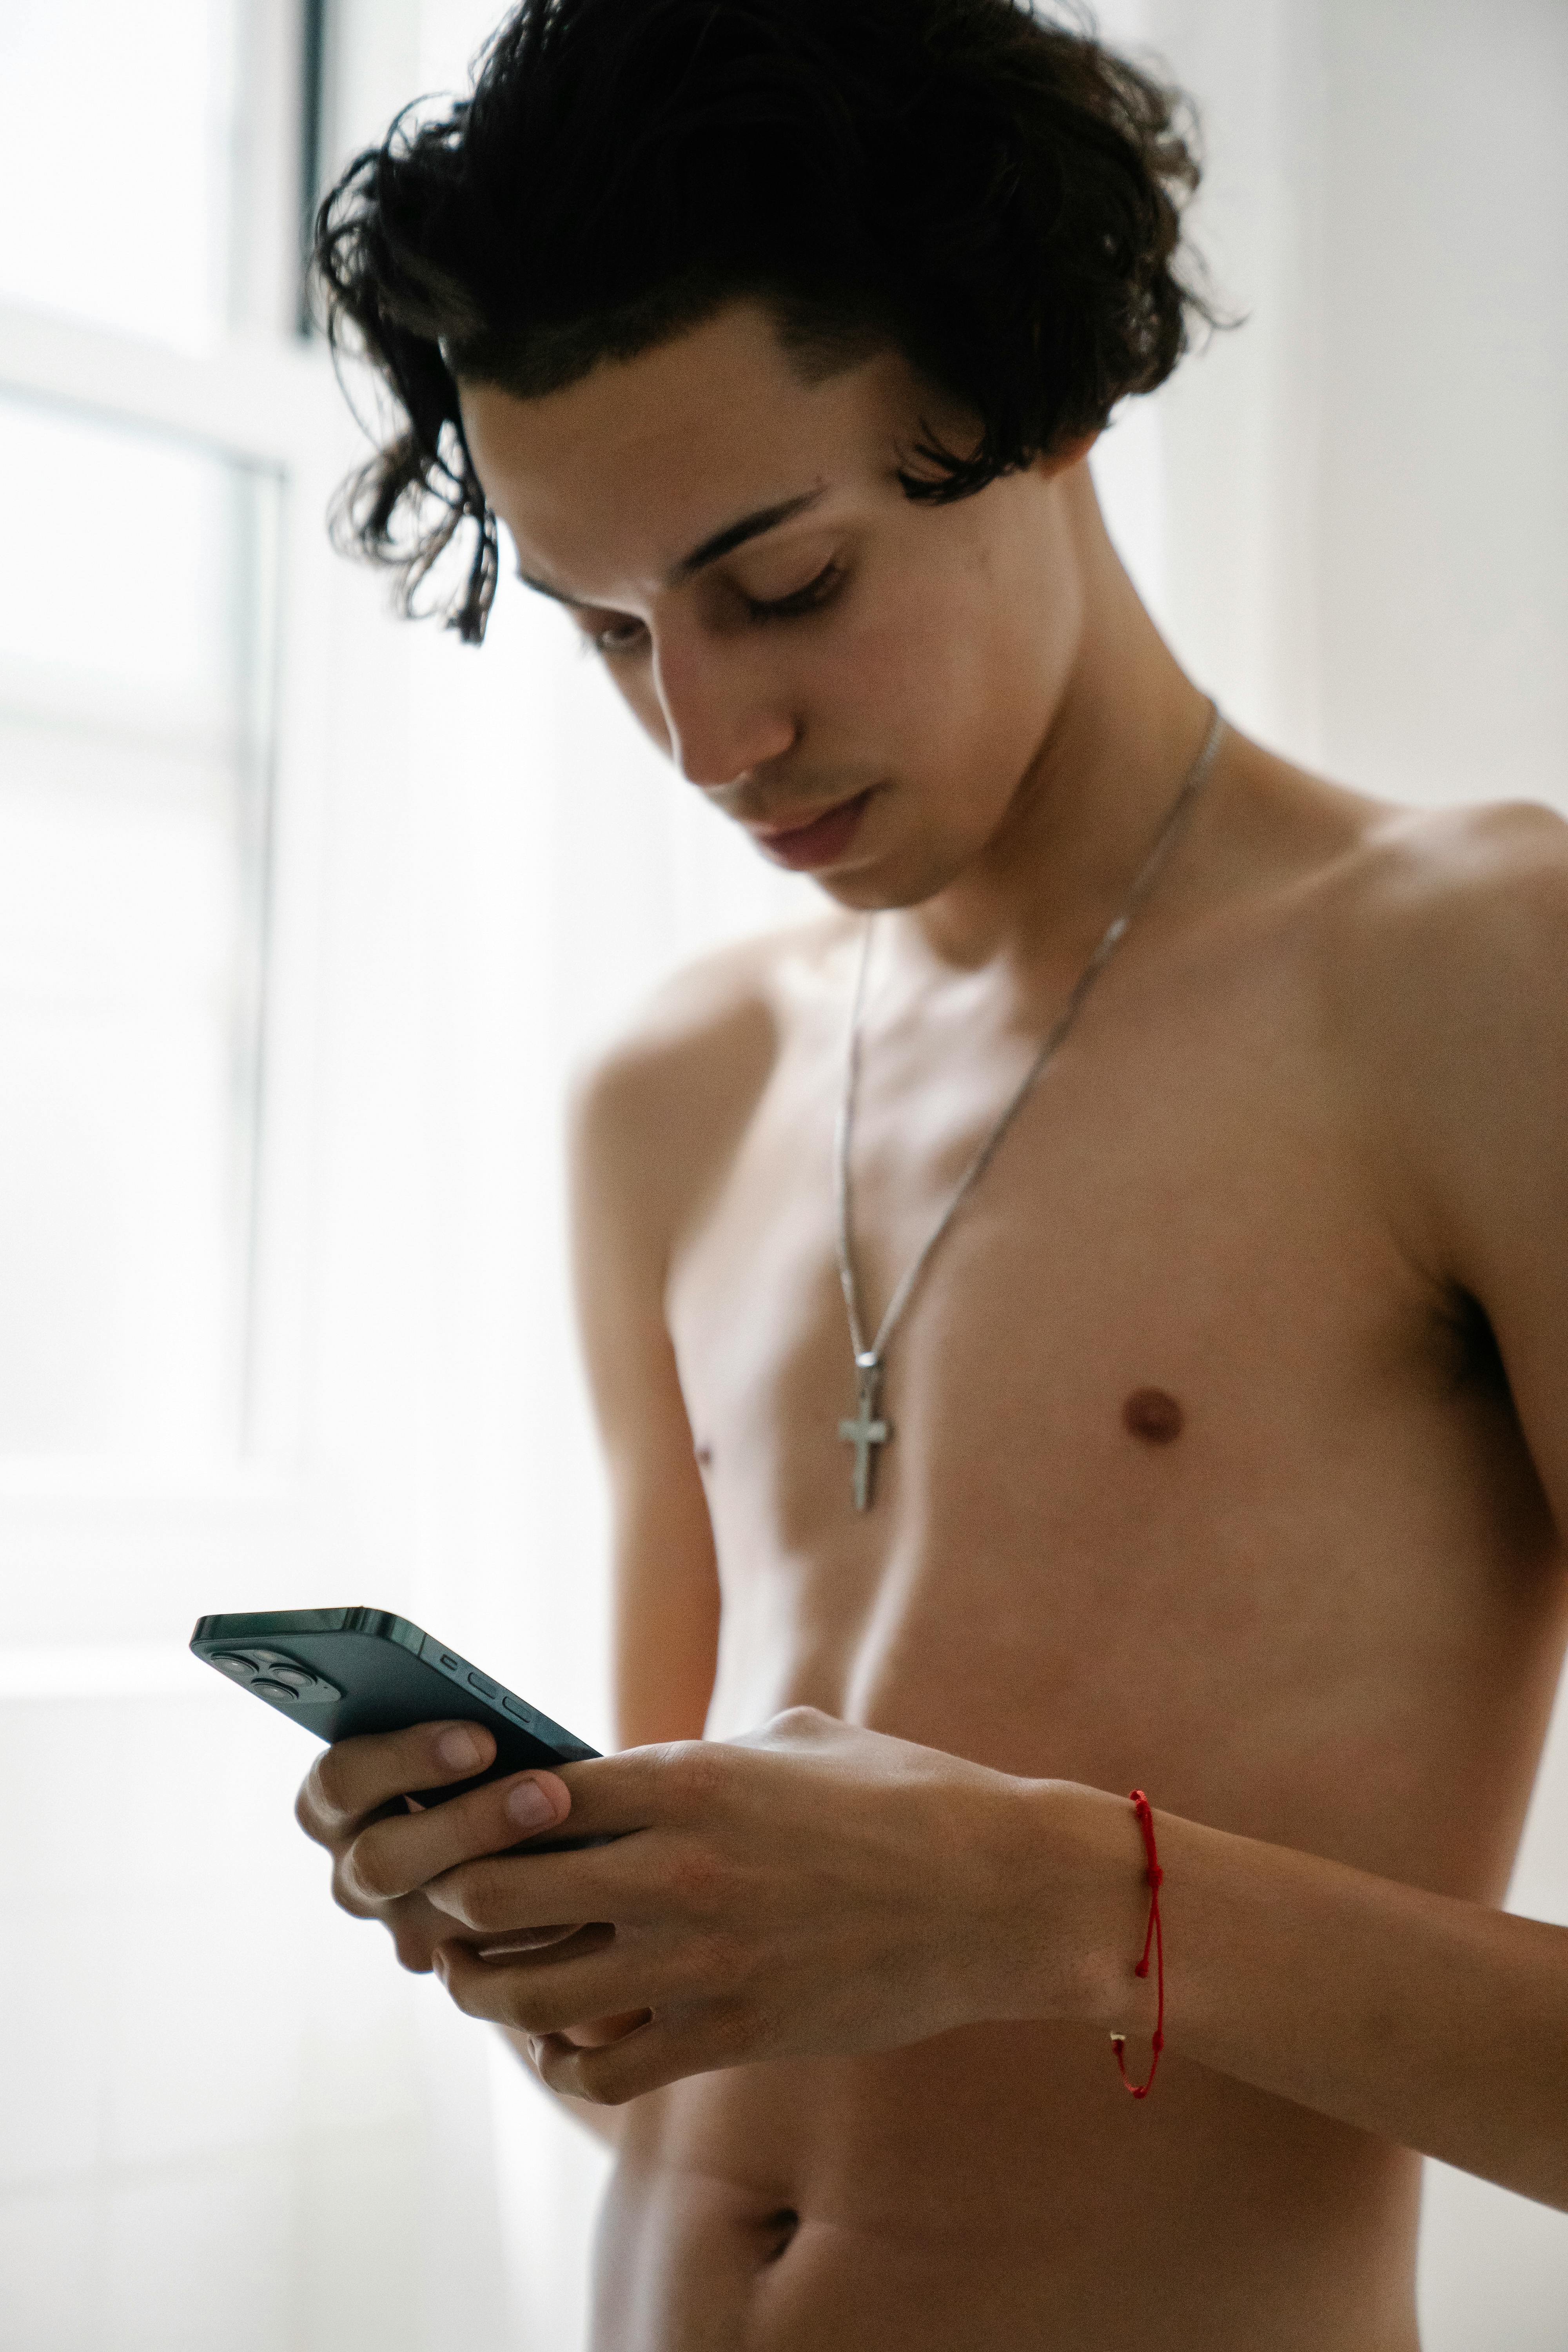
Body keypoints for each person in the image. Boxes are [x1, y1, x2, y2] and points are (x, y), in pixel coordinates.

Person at [294, 2, 1568, 2343]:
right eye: (608, 635)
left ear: (1041, 401)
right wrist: (538, 1922)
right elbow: (666, 2056)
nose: (709, 736)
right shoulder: (670, 1097)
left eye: (781, 588)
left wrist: (1064, 1906)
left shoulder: (1482, 980)